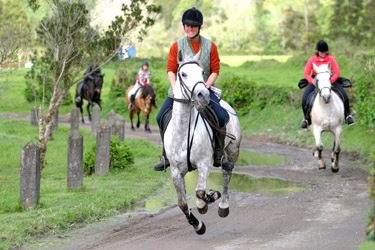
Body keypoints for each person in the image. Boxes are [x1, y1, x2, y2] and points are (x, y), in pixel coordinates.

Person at [153, 7, 233, 171]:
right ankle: (166, 156)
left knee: (221, 116)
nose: (189, 29)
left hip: (203, 90)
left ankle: (219, 155)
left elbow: (215, 70)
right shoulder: (176, 46)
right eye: (187, 26)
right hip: (180, 91)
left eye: (193, 26)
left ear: (199, 27)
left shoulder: (211, 46)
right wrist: (175, 88)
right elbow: (170, 69)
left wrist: (206, 86)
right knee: (160, 117)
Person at [301, 40, 355, 129]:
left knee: (344, 95)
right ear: (317, 51)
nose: (323, 53)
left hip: (329, 79)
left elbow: (337, 72)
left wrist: (331, 81)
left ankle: (347, 116)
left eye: (325, 52)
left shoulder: (331, 59)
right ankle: (306, 119)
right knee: (304, 99)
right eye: (321, 52)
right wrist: (312, 81)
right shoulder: (312, 60)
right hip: (316, 79)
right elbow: (306, 73)